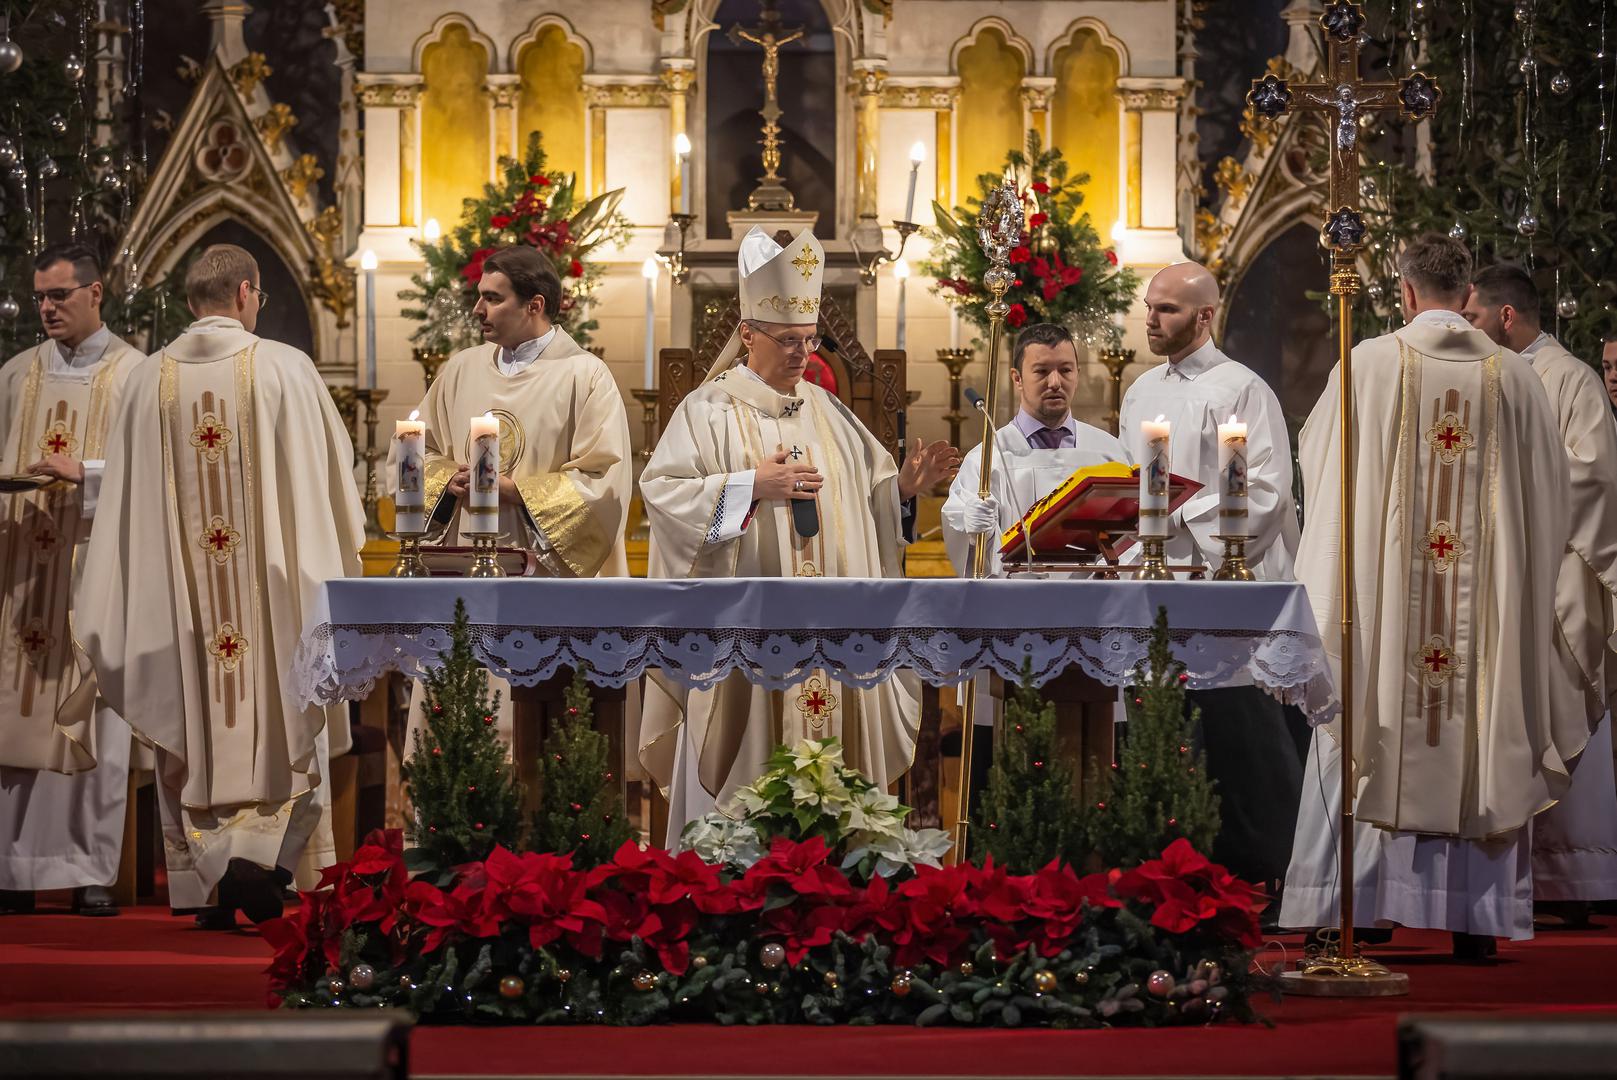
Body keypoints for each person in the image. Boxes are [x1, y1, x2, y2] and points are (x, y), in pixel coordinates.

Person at [1281, 234, 1574, 958]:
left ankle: (1358, 906)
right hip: (1488, 621)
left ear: (1405, 293)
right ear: (1467, 295)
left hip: (1383, 612)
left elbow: (1319, 470)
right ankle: (1473, 922)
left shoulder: (1369, 365)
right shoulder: (1517, 377)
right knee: (1479, 724)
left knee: (1367, 709)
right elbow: (1549, 504)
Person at [75, 244, 364, 928]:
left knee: (192, 711)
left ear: (191, 301)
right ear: (246, 294)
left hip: (180, 607)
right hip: (273, 598)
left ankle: (206, 883)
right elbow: (335, 484)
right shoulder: (287, 370)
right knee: (279, 710)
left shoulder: (145, 381)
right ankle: (263, 865)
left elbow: (124, 510)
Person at [638, 226, 958, 842]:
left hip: (830, 643)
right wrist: (749, 486)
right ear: (748, 334)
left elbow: (870, 512)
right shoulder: (706, 410)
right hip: (748, 645)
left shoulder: (831, 412)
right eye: (787, 340)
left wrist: (902, 494)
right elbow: (665, 498)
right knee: (750, 779)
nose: (802, 354)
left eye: (810, 340)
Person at [391, 245, 633, 748]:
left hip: (546, 581)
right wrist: (446, 481)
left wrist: (516, 491)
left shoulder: (584, 376)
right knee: (463, 722)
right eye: (480, 298)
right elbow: (416, 451)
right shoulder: (460, 370)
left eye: (492, 299)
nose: (478, 311)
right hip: (466, 578)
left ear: (534, 305)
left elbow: (605, 479)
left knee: (543, 733)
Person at [1117, 261, 1306, 894]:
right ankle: (1167, 861)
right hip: (1154, 579)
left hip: (1225, 579)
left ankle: (1258, 865)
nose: (1151, 318)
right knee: (1162, 726)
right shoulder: (1140, 391)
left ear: (1205, 317)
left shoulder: (1242, 389)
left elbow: (1270, 492)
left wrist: (1186, 508)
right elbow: (1129, 484)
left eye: (1167, 309)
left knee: (1237, 737)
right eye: (1149, 306)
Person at [1464, 265, 1617, 916]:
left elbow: (1593, 479)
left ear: (1506, 316)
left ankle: (1572, 880)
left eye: (1472, 316)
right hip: (1500, 574)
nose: (1464, 327)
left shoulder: (1570, 379)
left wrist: (1514, 504)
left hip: (1553, 575)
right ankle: (1516, 875)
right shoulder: (1488, 374)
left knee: (1556, 708)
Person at [0, 244, 141, 916]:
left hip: (96, 573)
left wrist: (88, 474)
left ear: (96, 292)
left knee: (95, 719)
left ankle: (90, 869)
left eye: (60, 295)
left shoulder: (138, 377)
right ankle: (13, 870)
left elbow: (155, 479)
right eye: (40, 298)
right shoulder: (16, 376)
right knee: (13, 712)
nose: (48, 308)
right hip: (22, 568)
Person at [940, 321, 1132, 807]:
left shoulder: (1107, 451)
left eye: (1065, 369)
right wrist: (967, 521)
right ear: (1015, 378)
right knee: (1007, 774)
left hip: (1091, 630)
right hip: (1015, 631)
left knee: (1093, 772)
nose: (1055, 382)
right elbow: (961, 538)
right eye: (1042, 370)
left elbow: (1131, 534)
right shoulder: (988, 455)